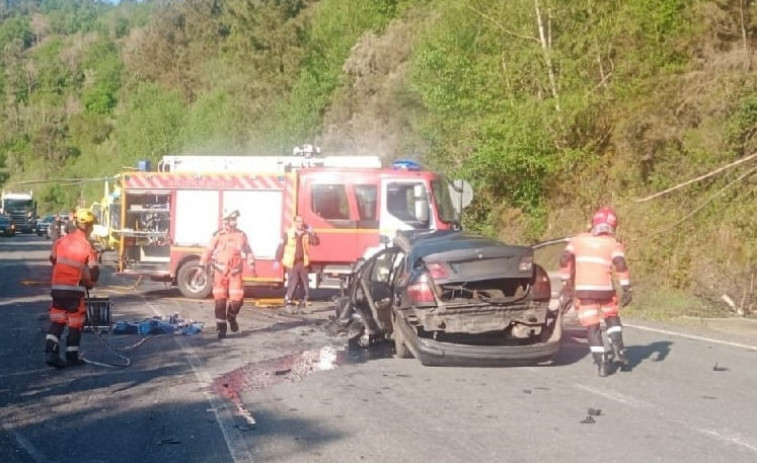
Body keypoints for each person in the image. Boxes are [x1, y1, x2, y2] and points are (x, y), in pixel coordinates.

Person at [558, 206, 632, 377]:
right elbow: (620, 264)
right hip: (605, 290)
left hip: (584, 292)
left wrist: (566, 283)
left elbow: (564, 258)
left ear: (593, 223)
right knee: (611, 316)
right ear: (613, 226)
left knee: (592, 327)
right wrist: (626, 287)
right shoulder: (613, 244)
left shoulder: (578, 240)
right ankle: (617, 348)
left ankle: (602, 363)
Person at [44, 208, 100, 368]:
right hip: (75, 290)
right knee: (75, 322)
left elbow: (53, 259)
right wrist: (90, 283)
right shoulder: (87, 246)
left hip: (57, 288)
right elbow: (94, 270)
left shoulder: (60, 241)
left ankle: (51, 352)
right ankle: (72, 356)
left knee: (58, 320)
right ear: (89, 227)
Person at [200, 209, 255, 339]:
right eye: (232, 219)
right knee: (220, 301)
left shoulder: (241, 235)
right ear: (226, 221)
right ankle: (221, 329)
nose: (234, 222)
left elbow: (248, 250)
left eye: (235, 219)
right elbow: (209, 249)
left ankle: (231, 316)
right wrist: (202, 263)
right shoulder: (218, 235)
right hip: (220, 272)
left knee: (237, 300)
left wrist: (251, 263)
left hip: (235, 273)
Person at [275, 215, 319, 313]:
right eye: (298, 221)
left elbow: (315, 242)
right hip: (292, 262)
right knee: (293, 281)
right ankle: (289, 301)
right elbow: (281, 246)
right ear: (294, 222)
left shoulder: (306, 234)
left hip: (303, 262)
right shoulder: (288, 233)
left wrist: (312, 232)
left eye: (302, 221)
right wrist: (277, 259)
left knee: (304, 283)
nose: (300, 223)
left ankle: (302, 304)